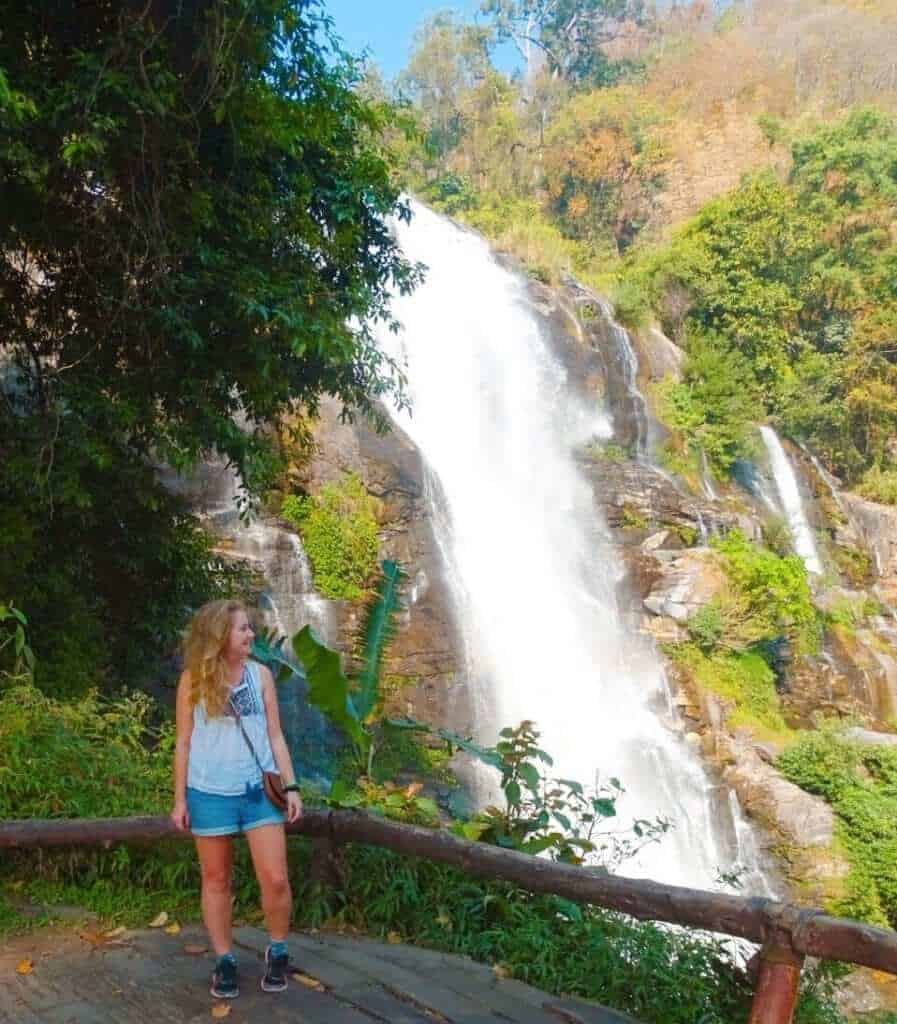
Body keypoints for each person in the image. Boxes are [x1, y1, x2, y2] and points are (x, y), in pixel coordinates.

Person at [170, 599, 303, 999]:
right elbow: (183, 741)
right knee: (216, 880)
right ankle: (225, 959)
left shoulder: (261, 676)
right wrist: (180, 799)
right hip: (209, 793)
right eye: (243, 629)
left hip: (258, 792)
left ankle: (277, 949)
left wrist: (292, 786)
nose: (251, 635)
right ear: (219, 636)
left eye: (250, 628)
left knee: (276, 878)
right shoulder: (193, 680)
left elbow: (275, 735)